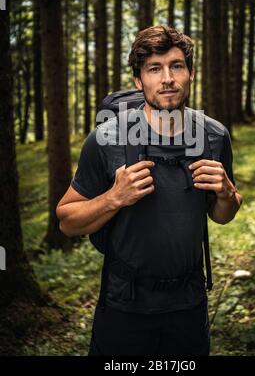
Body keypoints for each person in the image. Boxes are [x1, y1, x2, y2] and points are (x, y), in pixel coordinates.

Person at [56, 25, 243, 356]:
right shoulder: (105, 140)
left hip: (189, 302)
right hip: (125, 305)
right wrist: (114, 198)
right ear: (139, 80)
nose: (167, 78)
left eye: (176, 66)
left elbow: (221, 216)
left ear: (190, 73)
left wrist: (228, 194)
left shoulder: (214, 136)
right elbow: (67, 220)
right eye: (154, 69)